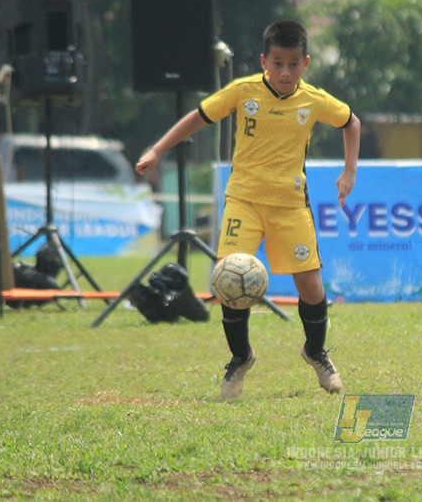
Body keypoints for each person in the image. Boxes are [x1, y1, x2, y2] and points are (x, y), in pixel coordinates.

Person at [136, 20, 360, 400]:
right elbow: (198, 117)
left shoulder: (314, 100)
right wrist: (157, 151)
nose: (285, 72)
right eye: (277, 63)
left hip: (290, 205)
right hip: (244, 201)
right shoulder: (243, 91)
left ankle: (315, 352)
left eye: (293, 63)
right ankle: (240, 358)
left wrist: (349, 171)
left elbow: (351, 122)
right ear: (264, 61)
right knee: (228, 282)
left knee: (310, 286)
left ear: (305, 63)